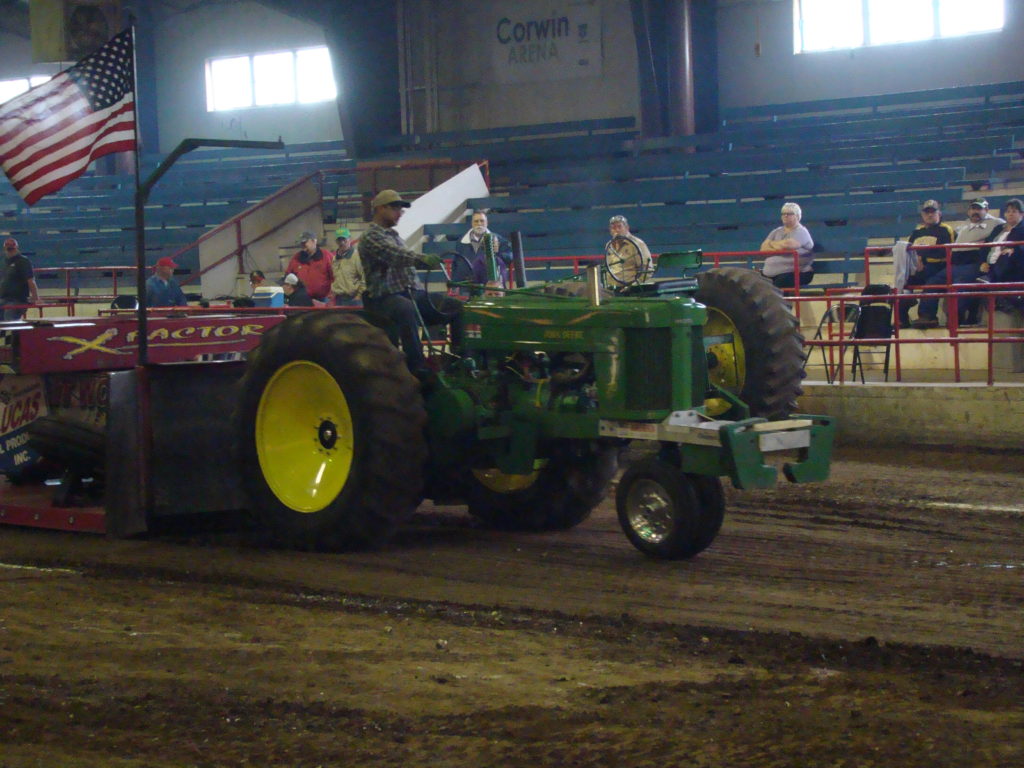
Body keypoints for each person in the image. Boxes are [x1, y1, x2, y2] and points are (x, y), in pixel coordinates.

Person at [359, 189, 460, 373]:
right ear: (381, 208)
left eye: (401, 209)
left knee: (456, 306)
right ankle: (417, 368)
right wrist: (422, 259)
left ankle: (462, 360)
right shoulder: (370, 236)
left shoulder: (395, 236)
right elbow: (395, 255)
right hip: (384, 298)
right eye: (396, 208)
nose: (400, 213)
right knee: (405, 308)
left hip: (412, 293)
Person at [913, 199, 1004, 328]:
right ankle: (927, 316)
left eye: (979, 209)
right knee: (933, 281)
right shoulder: (963, 226)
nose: (975, 212)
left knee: (960, 282)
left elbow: (1006, 233)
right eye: (973, 209)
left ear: (986, 210)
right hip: (956, 262)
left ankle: (955, 318)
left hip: (975, 261)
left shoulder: (997, 223)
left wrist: (986, 245)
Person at [898, 200, 956, 326]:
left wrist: (922, 259)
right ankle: (901, 319)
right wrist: (916, 261)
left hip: (939, 267)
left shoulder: (946, 230)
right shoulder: (917, 232)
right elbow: (907, 249)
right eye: (927, 212)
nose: (930, 215)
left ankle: (928, 316)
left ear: (939, 214)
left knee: (932, 283)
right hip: (918, 268)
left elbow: (946, 252)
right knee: (901, 281)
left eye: (933, 212)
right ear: (922, 215)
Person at [976, 198, 1024, 312]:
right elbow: (986, 246)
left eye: (1014, 211)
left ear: (1021, 214)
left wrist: (1015, 250)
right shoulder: (998, 228)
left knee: (1006, 255)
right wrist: (983, 261)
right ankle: (1000, 300)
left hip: (1013, 264)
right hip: (991, 263)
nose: (1010, 214)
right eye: (1008, 211)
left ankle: (992, 281)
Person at [450, 210, 513, 295]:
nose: (479, 224)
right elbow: (456, 263)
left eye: (482, 221)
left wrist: (497, 253)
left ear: (486, 223)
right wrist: (455, 284)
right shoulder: (461, 242)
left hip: (490, 288)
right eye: (476, 221)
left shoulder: (499, 240)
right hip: (466, 288)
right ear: (472, 223)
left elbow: (510, 257)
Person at [760, 202, 814, 289]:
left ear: (797, 216)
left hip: (796, 273)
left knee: (776, 287)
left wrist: (771, 244)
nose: (785, 216)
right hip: (770, 273)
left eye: (789, 214)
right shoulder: (776, 231)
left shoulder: (801, 231)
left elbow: (789, 245)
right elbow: (763, 249)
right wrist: (781, 247)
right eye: (783, 214)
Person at [286, 231, 334, 304]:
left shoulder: (326, 256)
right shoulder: (296, 258)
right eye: (301, 244)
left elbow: (335, 276)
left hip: (323, 299)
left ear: (314, 241)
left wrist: (331, 295)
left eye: (304, 243)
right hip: (302, 300)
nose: (303, 246)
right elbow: (288, 276)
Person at [604, 214, 653, 286]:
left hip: (630, 289)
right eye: (613, 228)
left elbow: (647, 270)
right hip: (611, 288)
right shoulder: (609, 245)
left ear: (627, 228)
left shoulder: (637, 244)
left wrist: (634, 285)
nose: (616, 230)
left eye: (619, 227)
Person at [0, 238, 39, 320]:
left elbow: (30, 280)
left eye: (12, 245)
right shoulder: (3, 262)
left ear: (16, 247)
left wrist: (35, 297)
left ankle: (14, 332)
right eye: (7, 245)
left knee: (9, 314)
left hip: (18, 299)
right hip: (4, 299)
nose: (9, 247)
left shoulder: (23, 261)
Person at [330, 226, 365, 304]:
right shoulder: (335, 258)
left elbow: (364, 277)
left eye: (344, 239)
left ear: (349, 239)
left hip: (354, 299)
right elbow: (336, 277)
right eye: (339, 240)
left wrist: (359, 296)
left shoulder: (357, 257)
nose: (342, 242)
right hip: (339, 299)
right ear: (336, 241)